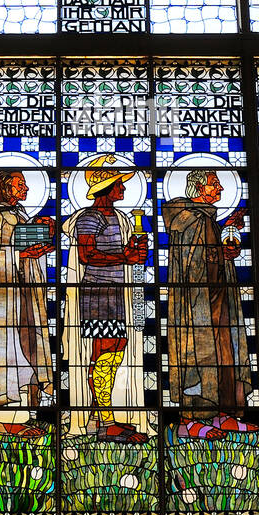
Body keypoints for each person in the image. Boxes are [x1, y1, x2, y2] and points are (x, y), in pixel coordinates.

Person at [162, 168, 255, 440]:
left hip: (219, 301)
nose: (221, 190)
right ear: (200, 188)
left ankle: (223, 415)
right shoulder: (190, 220)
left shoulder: (208, 220)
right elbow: (192, 265)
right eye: (215, 184)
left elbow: (211, 258)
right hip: (197, 304)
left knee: (226, 357)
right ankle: (192, 421)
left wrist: (226, 254)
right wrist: (219, 257)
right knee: (197, 359)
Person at [64, 156, 148, 442]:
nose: (123, 189)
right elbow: (87, 256)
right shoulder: (90, 218)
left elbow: (117, 253)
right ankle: (104, 423)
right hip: (98, 292)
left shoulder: (116, 218)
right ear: (106, 188)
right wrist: (126, 255)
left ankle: (106, 416)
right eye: (118, 185)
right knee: (103, 351)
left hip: (116, 291)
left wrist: (134, 251)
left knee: (115, 350)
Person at [0, 170, 54, 437]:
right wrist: (28, 248)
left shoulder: (17, 217)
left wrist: (38, 245)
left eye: (25, 185)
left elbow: (20, 251)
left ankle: (9, 415)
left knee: (25, 350)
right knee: (2, 355)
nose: (26, 189)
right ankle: (4, 419)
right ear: (4, 188)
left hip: (21, 297)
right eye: (20, 185)